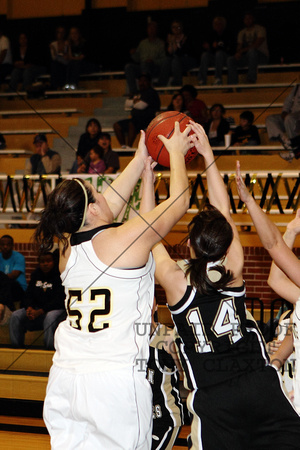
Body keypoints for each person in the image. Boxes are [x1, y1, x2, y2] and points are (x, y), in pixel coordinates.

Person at [33, 120, 192, 448]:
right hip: (113, 383)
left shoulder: (67, 248)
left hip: (66, 378)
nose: (105, 193)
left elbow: (103, 208)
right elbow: (179, 202)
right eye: (96, 192)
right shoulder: (122, 238)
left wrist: (139, 162)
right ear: (91, 207)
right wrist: (175, 152)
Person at [145, 122, 300, 449]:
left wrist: (149, 177)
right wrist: (208, 155)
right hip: (259, 384)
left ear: (189, 244)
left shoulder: (175, 281)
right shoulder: (233, 268)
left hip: (216, 397)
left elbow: (150, 230)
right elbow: (224, 211)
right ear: (223, 243)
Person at [9, 252, 66, 350]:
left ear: (54, 262)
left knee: (50, 317)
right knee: (16, 315)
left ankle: (49, 349)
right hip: (36, 309)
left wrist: (41, 311)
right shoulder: (36, 274)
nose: (45, 264)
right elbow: (28, 294)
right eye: (42, 261)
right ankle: (16, 348)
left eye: (48, 261)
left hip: (55, 310)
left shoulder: (59, 276)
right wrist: (29, 308)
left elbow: (59, 300)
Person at [147, 298, 184, 449]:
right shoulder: (126, 340)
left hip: (164, 419)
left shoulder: (166, 338)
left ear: (155, 306)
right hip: (137, 419)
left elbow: (190, 377)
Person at [113, 73, 160, 148]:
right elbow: (127, 104)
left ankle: (129, 146)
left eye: (144, 81)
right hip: (135, 119)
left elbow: (141, 106)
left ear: (149, 82)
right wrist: (136, 102)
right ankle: (123, 146)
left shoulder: (151, 92)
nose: (142, 83)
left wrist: (134, 102)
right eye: (140, 81)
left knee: (132, 123)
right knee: (117, 125)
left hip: (147, 120)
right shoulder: (136, 92)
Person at [227, 11, 269, 85]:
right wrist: (238, 53)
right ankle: (232, 84)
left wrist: (242, 51)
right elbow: (239, 46)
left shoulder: (260, 29)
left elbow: (257, 44)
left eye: (250, 18)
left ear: (253, 19)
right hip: (247, 57)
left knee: (252, 51)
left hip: (261, 57)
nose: (248, 21)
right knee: (231, 60)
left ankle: (251, 78)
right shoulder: (242, 33)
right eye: (246, 19)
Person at [124, 21, 166, 96]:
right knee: (128, 67)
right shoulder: (143, 43)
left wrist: (153, 61)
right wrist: (133, 54)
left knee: (147, 64)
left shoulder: (161, 43)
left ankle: (146, 90)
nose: (151, 30)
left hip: (154, 67)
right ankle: (133, 91)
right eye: (150, 28)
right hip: (142, 67)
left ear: (156, 30)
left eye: (153, 28)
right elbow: (137, 59)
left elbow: (164, 60)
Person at [265, 83, 300, 162]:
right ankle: (284, 139)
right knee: (270, 119)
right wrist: (285, 111)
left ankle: (293, 147)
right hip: (292, 115)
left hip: (296, 117)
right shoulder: (297, 87)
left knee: (289, 118)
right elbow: (288, 101)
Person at [158, 19, 197, 87]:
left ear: (181, 28)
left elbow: (182, 52)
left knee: (175, 60)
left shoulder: (186, 38)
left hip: (187, 60)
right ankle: (161, 84)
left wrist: (175, 43)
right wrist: (171, 42)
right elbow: (169, 53)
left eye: (178, 27)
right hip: (175, 62)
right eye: (174, 27)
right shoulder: (170, 38)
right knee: (167, 60)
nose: (176, 29)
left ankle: (177, 83)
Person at [198, 16, 233, 86]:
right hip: (214, 58)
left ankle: (218, 79)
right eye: (215, 24)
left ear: (223, 25)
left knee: (219, 54)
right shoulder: (211, 35)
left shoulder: (228, 34)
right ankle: (202, 80)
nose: (217, 25)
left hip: (225, 58)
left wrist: (218, 46)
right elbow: (208, 47)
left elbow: (230, 48)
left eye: (219, 24)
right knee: (205, 55)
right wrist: (209, 48)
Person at [0, 235, 27, 324]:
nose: (5, 247)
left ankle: (10, 308)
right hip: (3, 289)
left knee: (9, 282)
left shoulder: (19, 257)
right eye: (3, 244)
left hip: (18, 289)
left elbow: (13, 275)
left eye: (8, 244)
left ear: (12, 246)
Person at [49, 26, 70, 90]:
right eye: (59, 32)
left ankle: (60, 86)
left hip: (66, 64)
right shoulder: (53, 44)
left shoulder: (67, 43)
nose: (60, 34)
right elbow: (54, 57)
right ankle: (56, 87)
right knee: (55, 65)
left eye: (62, 33)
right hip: (57, 64)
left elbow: (67, 56)